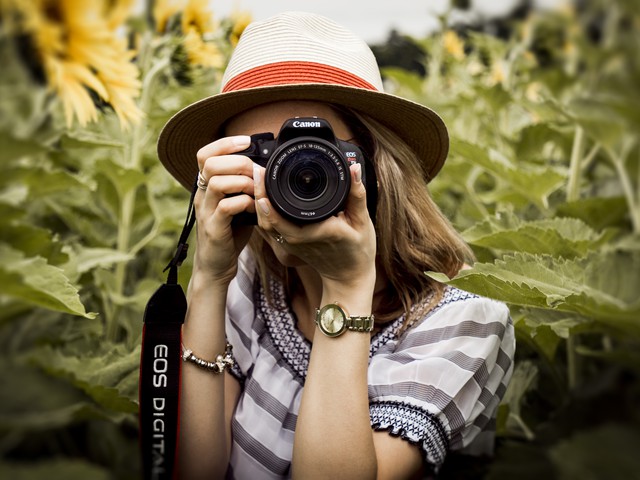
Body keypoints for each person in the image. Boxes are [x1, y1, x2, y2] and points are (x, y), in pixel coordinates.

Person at [157, 11, 515, 480]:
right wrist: (208, 276)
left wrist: (346, 286)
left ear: (376, 166)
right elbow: (192, 471)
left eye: (312, 152)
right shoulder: (250, 278)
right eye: (263, 155)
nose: (290, 177)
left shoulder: (468, 323)